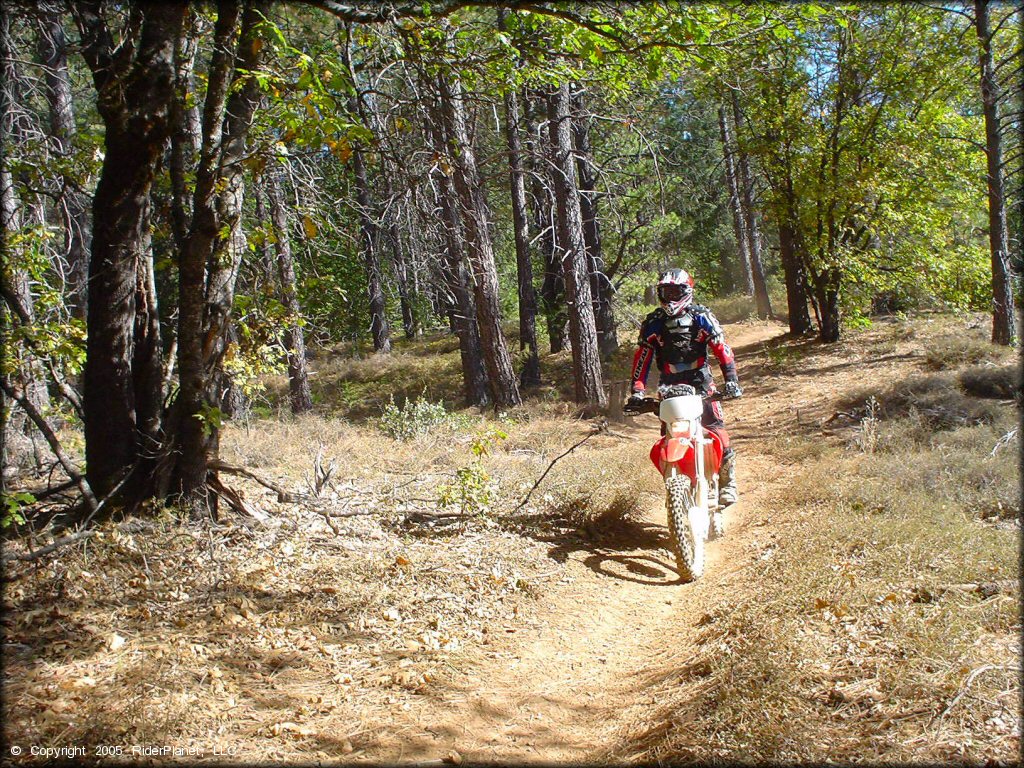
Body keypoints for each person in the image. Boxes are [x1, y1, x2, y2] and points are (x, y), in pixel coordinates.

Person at [627, 268, 743, 505]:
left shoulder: (702, 316)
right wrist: (637, 392)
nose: (669, 298)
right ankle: (677, 483)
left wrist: (731, 380)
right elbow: (642, 358)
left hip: (701, 380)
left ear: (687, 292)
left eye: (674, 292)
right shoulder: (653, 323)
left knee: (715, 426)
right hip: (668, 385)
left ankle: (727, 482)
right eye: (665, 292)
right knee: (668, 433)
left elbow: (721, 347)